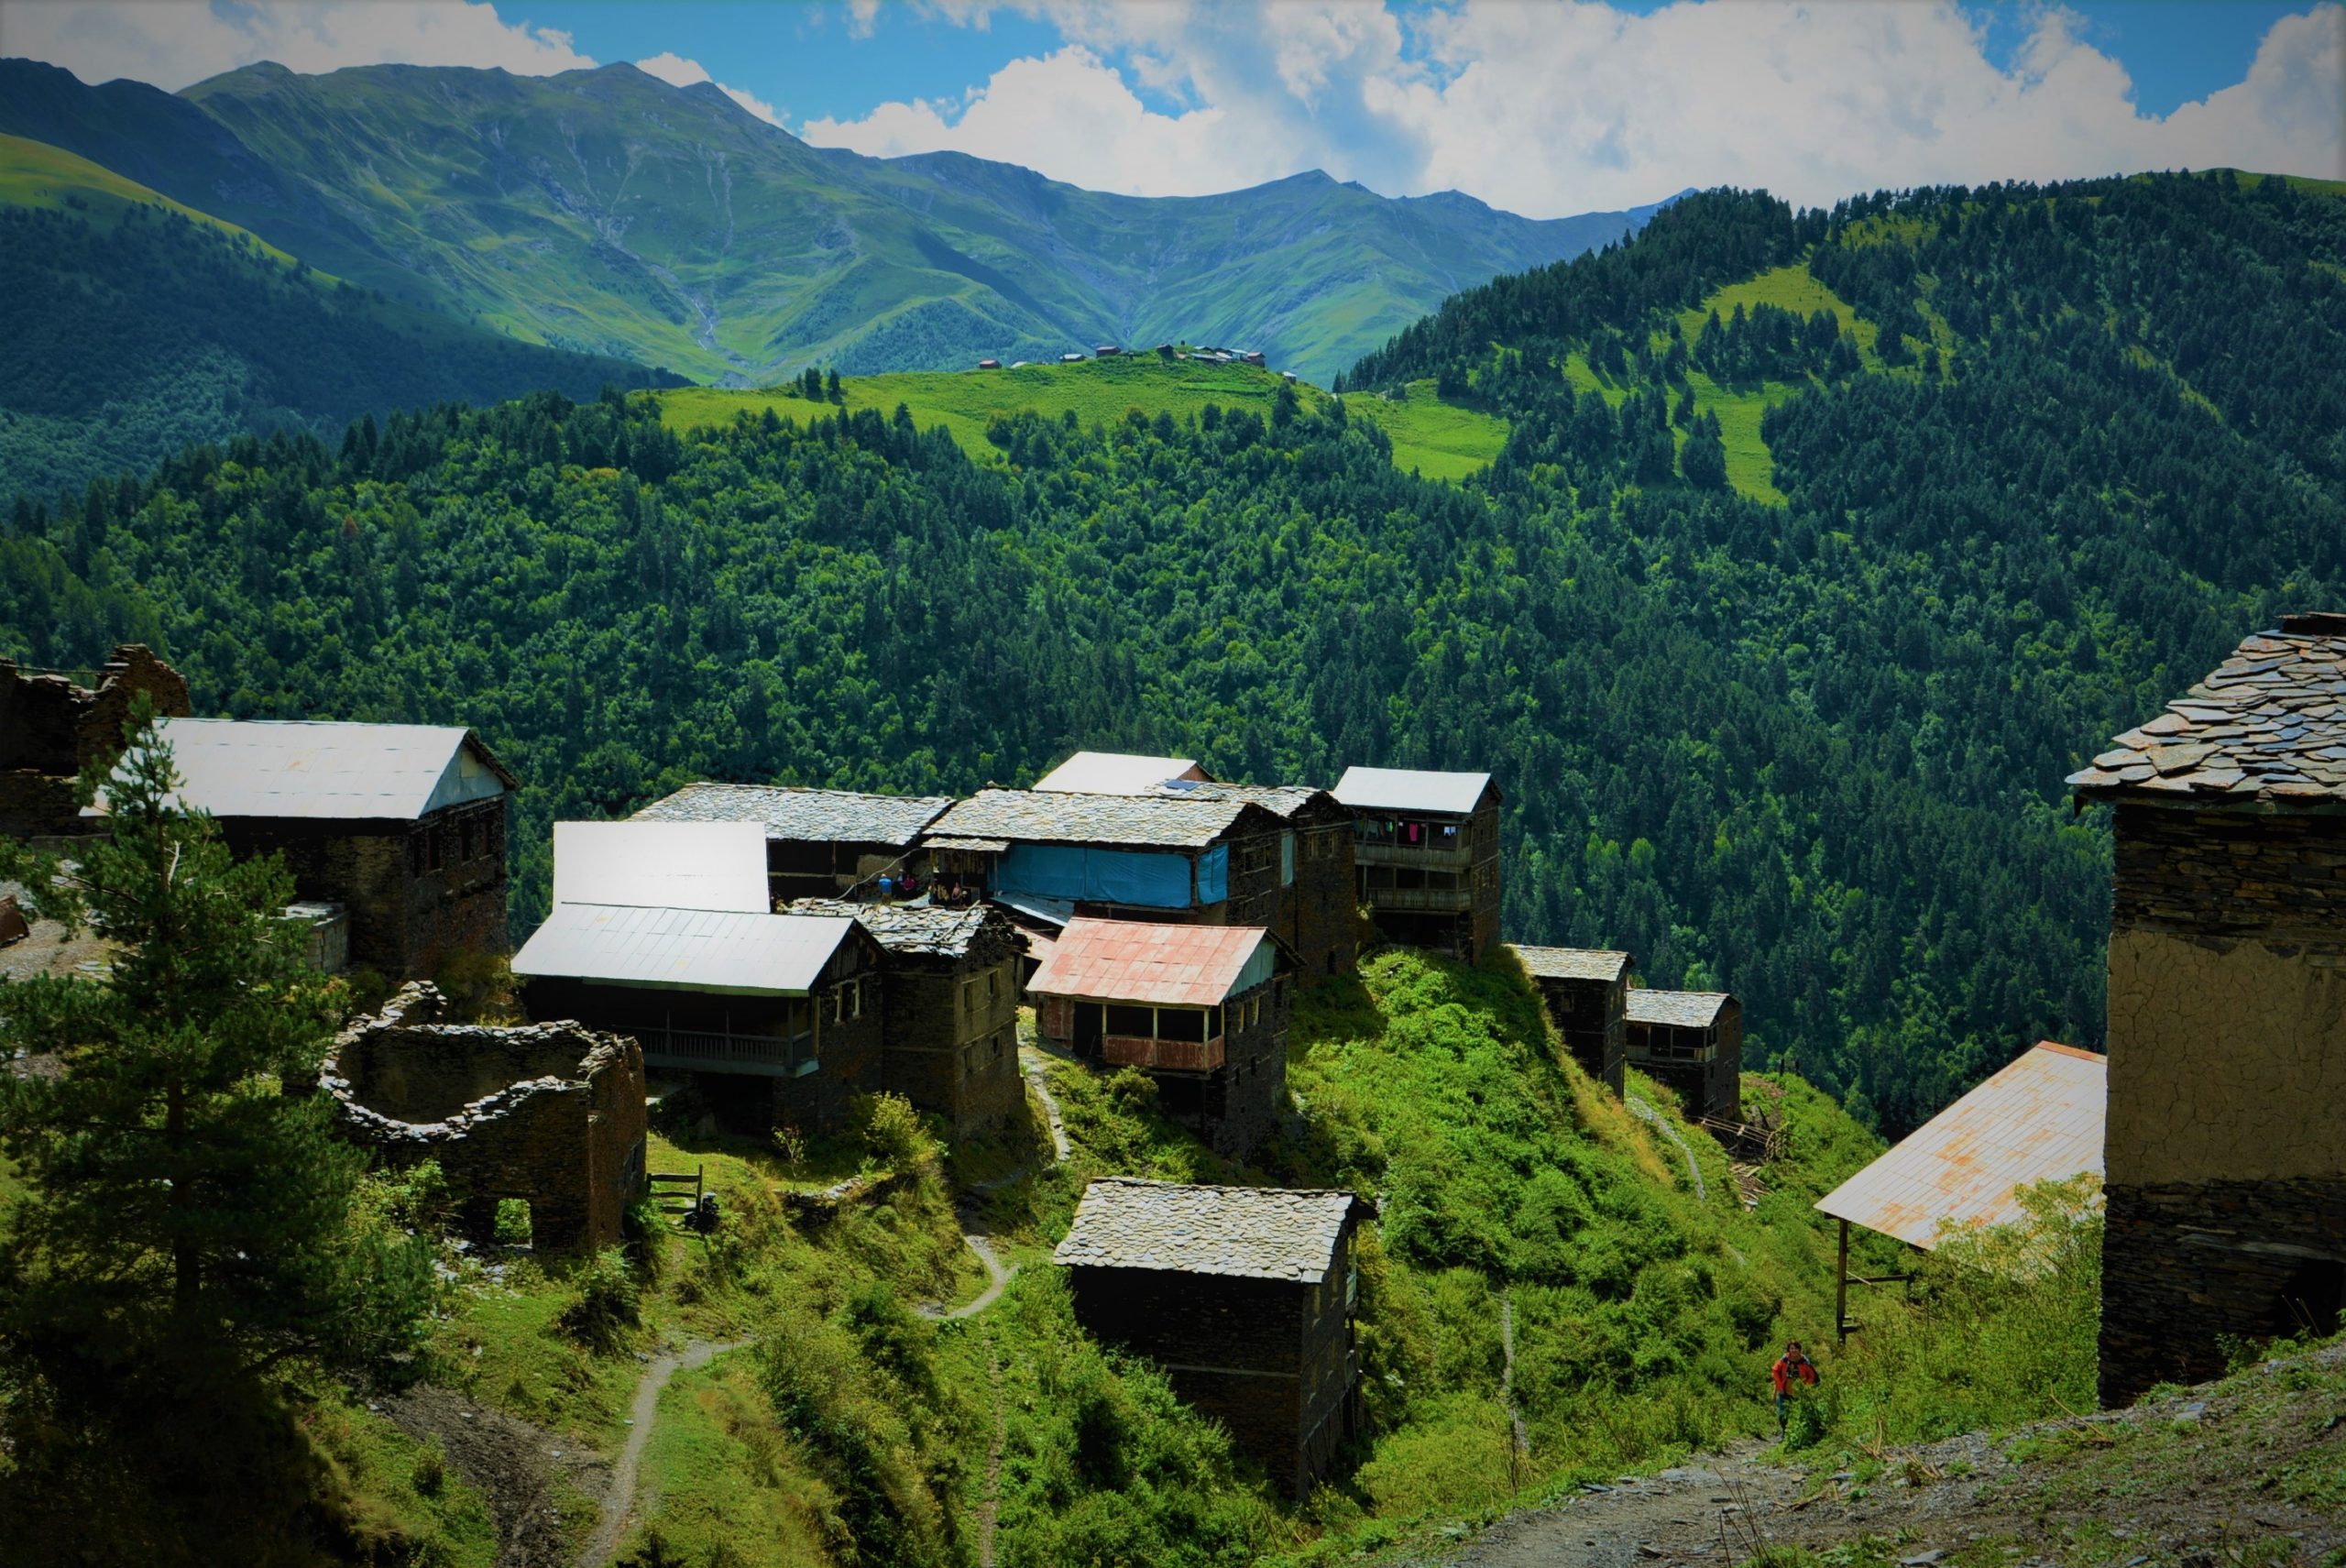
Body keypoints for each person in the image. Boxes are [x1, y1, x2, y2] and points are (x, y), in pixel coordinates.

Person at [1771, 1340, 1818, 1436]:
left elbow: (1812, 1376)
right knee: (1782, 1414)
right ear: (1789, 1350)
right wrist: (1779, 1386)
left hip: (1799, 1392)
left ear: (1799, 1350)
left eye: (1796, 1348)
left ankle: (1797, 1433)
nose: (1794, 1350)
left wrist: (1806, 1388)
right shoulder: (1784, 1359)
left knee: (1799, 1414)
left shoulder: (1805, 1362)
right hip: (1785, 1390)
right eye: (1792, 1348)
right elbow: (1775, 1371)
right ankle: (1785, 1432)